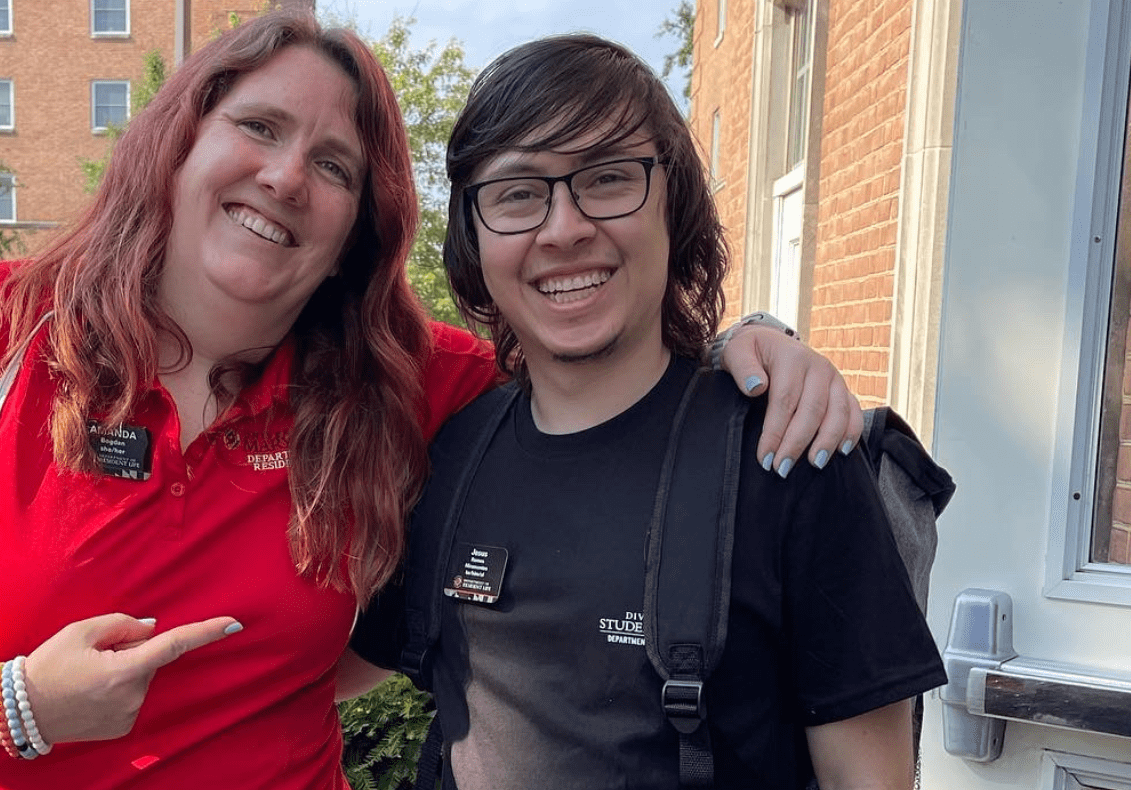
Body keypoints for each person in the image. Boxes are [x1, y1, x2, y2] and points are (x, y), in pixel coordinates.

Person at [0, 10, 862, 790]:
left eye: (335, 164)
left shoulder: (398, 376)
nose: (286, 177)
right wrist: (10, 704)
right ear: (180, 141)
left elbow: (590, 348)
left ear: (360, 222)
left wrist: (747, 343)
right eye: (257, 127)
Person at [345, 34, 948, 790]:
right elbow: (303, 667)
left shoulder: (785, 458)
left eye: (606, 178)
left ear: (675, 203)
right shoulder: (447, 457)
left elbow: (872, 779)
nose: (563, 228)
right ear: (474, 235)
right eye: (518, 192)